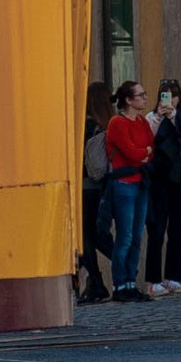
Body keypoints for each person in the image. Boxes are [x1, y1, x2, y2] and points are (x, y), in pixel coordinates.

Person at [142, 80, 181, 295]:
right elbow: (147, 140)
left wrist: (174, 117)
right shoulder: (150, 118)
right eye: (165, 95)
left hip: (180, 179)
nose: (170, 100)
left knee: (177, 230)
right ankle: (153, 281)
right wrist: (158, 117)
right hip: (158, 181)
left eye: (173, 96)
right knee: (156, 231)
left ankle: (174, 276)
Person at [103, 81, 155, 303]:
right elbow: (132, 152)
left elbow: (150, 148)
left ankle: (132, 282)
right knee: (124, 236)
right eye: (140, 95)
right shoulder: (117, 123)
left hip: (140, 182)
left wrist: (143, 153)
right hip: (124, 184)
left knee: (136, 235)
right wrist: (143, 153)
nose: (145, 98)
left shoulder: (142, 121)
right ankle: (120, 283)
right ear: (128, 100)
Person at [78, 82, 113, 303]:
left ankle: (97, 281)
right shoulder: (111, 123)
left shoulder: (86, 126)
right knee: (98, 232)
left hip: (85, 186)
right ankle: (122, 264)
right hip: (104, 185)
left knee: (86, 237)